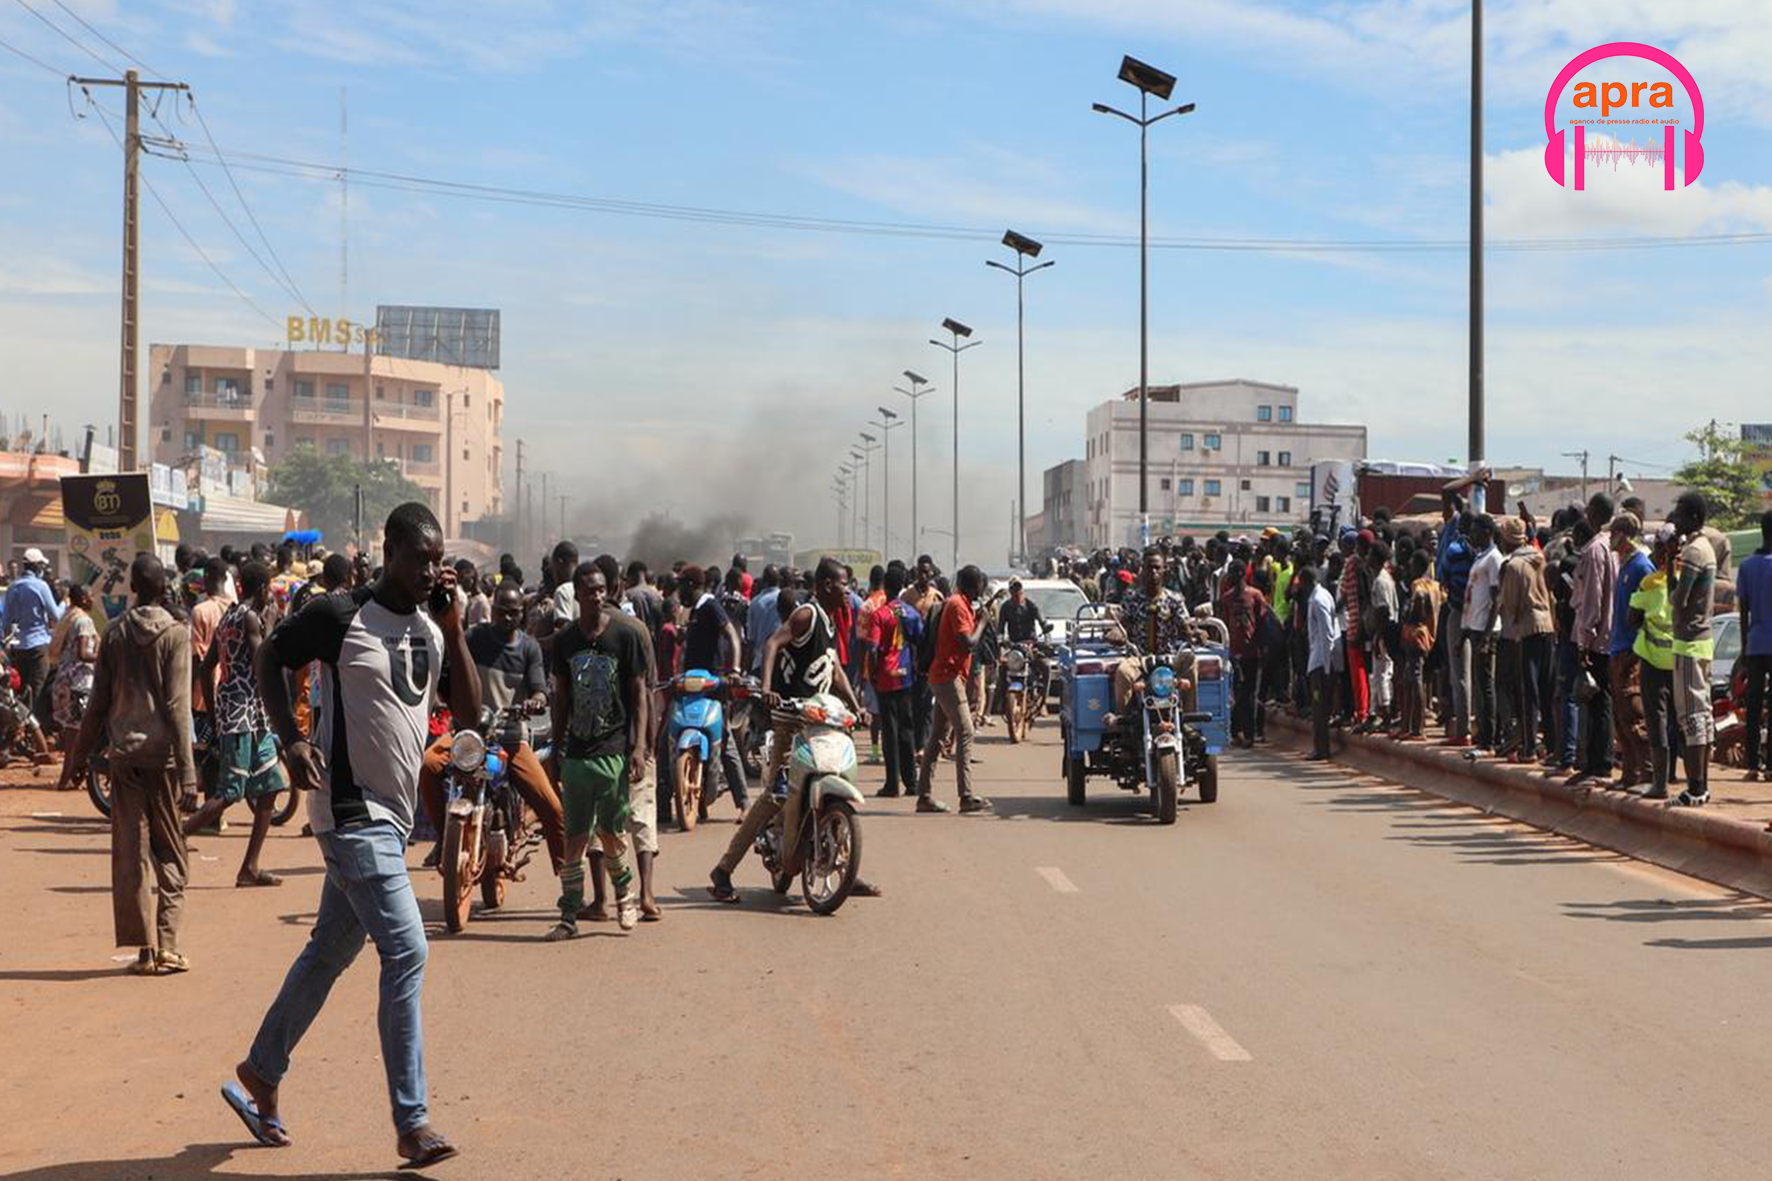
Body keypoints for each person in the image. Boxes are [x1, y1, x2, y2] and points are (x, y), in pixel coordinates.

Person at [229, 502, 477, 1169]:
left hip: (393, 821)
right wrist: (290, 738)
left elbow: (474, 716)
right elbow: (269, 655)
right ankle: (413, 1120)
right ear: (389, 549)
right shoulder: (339, 614)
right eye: (419, 557)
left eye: (437, 559)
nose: (430, 570)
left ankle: (260, 1068)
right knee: (407, 949)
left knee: (329, 952)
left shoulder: (430, 627)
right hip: (347, 812)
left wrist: (455, 632)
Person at [58, 554, 196, 975]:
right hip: (164, 760)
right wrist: (189, 772)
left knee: (131, 855)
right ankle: (168, 943)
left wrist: (78, 760)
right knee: (171, 852)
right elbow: (177, 708)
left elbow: (97, 705)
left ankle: (145, 949)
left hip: (124, 757)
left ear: (134, 587)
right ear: (163, 587)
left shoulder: (115, 634)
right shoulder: (175, 634)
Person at [709, 557, 870, 901]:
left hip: (821, 719)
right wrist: (768, 689)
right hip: (790, 719)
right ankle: (723, 870)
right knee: (776, 794)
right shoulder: (807, 615)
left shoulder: (829, 623)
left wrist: (858, 707)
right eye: (844, 584)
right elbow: (771, 644)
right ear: (828, 585)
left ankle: (842, 865)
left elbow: (835, 669)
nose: (848, 590)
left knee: (838, 774)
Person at [417, 582, 565, 886]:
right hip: (469, 736)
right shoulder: (474, 638)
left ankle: (568, 882)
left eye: (513, 614)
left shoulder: (528, 648)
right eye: (501, 613)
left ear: (521, 614)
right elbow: (451, 669)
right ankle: (445, 839)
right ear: (492, 611)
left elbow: (539, 687)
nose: (507, 619)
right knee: (428, 766)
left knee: (552, 809)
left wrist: (536, 700)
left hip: (510, 738)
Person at [545, 562, 650, 939]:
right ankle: (568, 916)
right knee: (574, 838)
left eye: (602, 589)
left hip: (613, 750)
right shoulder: (566, 642)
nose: (597, 596)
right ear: (577, 594)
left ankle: (625, 897)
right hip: (576, 753)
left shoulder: (624, 636)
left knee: (611, 834)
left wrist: (638, 747)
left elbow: (639, 695)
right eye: (590, 590)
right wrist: (556, 749)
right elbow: (561, 698)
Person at [182, 561, 288, 887]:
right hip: (245, 715)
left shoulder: (228, 616)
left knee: (271, 787)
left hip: (242, 713)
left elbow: (205, 669)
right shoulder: (251, 618)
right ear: (262, 589)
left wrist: (215, 715)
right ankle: (171, 836)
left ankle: (249, 868)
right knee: (230, 792)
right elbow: (263, 664)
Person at [587, 552, 664, 922]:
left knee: (596, 821)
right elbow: (649, 692)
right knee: (642, 815)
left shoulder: (582, 629)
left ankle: (601, 901)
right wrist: (647, 744)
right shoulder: (637, 630)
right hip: (632, 739)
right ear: (621, 586)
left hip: (595, 742)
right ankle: (646, 894)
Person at [915, 565, 993, 814]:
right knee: (966, 731)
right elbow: (967, 642)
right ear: (974, 585)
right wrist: (982, 622)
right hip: (947, 677)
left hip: (947, 676)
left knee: (937, 736)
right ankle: (966, 796)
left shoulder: (962, 604)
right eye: (981, 584)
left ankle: (924, 796)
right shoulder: (958, 605)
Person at [675, 565, 749, 816]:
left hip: (713, 684)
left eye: (682, 586)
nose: (679, 592)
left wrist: (735, 670)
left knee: (724, 741)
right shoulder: (695, 611)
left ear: (693, 585)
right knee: (669, 738)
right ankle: (668, 805)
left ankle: (744, 804)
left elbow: (731, 634)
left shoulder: (710, 606)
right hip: (689, 685)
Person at [1667, 492, 1718, 806]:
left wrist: (1670, 566)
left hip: (1688, 641)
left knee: (1692, 717)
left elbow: (1677, 599)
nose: (1677, 521)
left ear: (1695, 519)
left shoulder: (1694, 552)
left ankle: (1696, 788)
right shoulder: (1706, 548)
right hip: (1703, 640)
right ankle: (1702, 786)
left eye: (1682, 515)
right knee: (1704, 714)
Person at [1568, 493, 1618, 787]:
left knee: (1597, 699)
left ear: (1595, 512)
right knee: (1603, 699)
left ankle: (1598, 763)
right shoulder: (1613, 547)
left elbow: (1592, 600)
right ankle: (1600, 761)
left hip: (1596, 637)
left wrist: (1584, 640)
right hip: (1611, 635)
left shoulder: (1593, 550)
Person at [1497, 517, 1554, 764]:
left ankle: (1530, 747)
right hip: (1549, 625)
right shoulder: (1540, 558)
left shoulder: (1512, 566)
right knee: (1547, 689)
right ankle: (1552, 745)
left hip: (1527, 628)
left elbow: (1510, 604)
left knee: (1528, 691)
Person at [865, 564, 923, 798]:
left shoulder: (880, 615)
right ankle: (912, 782)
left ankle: (892, 784)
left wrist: (873, 674)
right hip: (906, 676)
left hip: (886, 679)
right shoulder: (909, 612)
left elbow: (873, 649)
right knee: (907, 730)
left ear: (886, 587)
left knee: (889, 732)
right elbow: (920, 637)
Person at [1607, 515, 1654, 789]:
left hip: (1630, 651)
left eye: (1614, 532)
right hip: (1617, 648)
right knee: (1620, 716)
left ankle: (1646, 774)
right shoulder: (1624, 565)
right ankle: (1629, 773)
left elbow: (1649, 612)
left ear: (1624, 535)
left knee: (1634, 714)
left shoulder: (1641, 567)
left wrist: (1635, 653)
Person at [3, 547, 64, 732]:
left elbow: (6, 621)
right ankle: (33, 733)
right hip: (38, 645)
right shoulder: (41, 586)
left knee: (21, 691)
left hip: (19, 646)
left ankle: (17, 732)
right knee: (38, 690)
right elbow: (56, 615)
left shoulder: (13, 586)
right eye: (42, 566)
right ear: (38, 566)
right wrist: (64, 604)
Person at [1461, 515, 1502, 752]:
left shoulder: (1494, 559)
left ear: (1487, 532)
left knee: (1486, 685)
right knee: (1479, 683)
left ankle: (1489, 739)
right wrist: (1465, 632)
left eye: (1476, 531)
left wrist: (1486, 635)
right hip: (1475, 629)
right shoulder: (1480, 557)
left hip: (1487, 631)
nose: (1472, 535)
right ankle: (1483, 735)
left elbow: (1496, 599)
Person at [1219, 561, 1268, 748]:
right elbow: (1223, 624)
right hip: (1233, 652)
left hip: (1251, 652)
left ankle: (1248, 734)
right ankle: (1237, 731)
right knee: (1239, 693)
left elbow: (1262, 622)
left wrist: (1263, 647)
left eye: (1232, 573)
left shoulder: (1255, 595)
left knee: (1248, 694)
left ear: (1239, 574)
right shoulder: (1227, 598)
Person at [1740, 510, 1772, 785]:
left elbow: (1743, 610)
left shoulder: (1748, 566)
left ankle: (1752, 763)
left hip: (1755, 643)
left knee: (1752, 704)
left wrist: (1742, 646)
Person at [48, 581, 100, 747]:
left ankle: (70, 767)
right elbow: (83, 654)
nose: (93, 600)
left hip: (64, 679)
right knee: (76, 729)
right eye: (91, 596)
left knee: (71, 727)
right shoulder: (84, 621)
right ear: (84, 599)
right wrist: (103, 656)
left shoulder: (69, 617)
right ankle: (69, 770)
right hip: (78, 683)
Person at [1397, 552, 1441, 740]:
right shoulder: (1436, 586)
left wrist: (1410, 616)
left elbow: (1420, 602)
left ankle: (1417, 728)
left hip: (1417, 635)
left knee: (1415, 678)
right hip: (1428, 636)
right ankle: (1408, 726)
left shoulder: (1419, 585)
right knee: (1412, 678)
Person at [1299, 565, 1339, 760]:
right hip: (1319, 659)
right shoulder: (1323, 595)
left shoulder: (1317, 600)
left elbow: (1327, 633)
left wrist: (1325, 665)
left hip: (1319, 662)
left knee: (1319, 708)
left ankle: (1321, 748)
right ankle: (1321, 747)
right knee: (1320, 707)